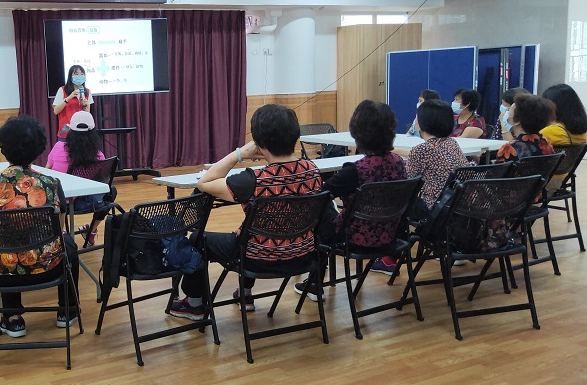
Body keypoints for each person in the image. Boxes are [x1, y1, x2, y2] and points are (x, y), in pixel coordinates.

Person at [170, 104, 329, 320]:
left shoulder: (252, 180)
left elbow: (204, 182)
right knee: (256, 231)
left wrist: (239, 154)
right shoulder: (313, 171)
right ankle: (244, 293)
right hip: (302, 256)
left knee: (199, 238)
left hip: (256, 259)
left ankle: (194, 304)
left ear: (259, 143)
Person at [0, 115, 80, 338]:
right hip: (45, 268)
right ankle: (67, 310)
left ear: (3, 148)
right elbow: (59, 230)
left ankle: (12, 318)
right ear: (40, 149)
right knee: (68, 243)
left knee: (3, 244)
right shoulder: (51, 184)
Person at [321, 101, 407, 276]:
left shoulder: (354, 171)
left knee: (321, 207)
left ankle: (315, 281)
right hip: (390, 235)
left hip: (353, 238)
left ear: (357, 133)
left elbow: (321, 193)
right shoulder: (399, 163)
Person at [45, 110, 110, 246]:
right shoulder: (98, 156)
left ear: (71, 130)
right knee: (111, 193)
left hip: (59, 203)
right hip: (85, 202)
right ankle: (91, 230)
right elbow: (102, 183)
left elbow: (46, 172)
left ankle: (60, 232)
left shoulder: (58, 147)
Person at [404, 99, 473, 213]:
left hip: (434, 207)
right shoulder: (451, 142)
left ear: (422, 122)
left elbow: (407, 184)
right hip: (456, 204)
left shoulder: (422, 150)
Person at [495, 94, 555, 162]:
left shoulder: (508, 149)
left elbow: (498, 168)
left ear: (517, 121)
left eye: (509, 112)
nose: (506, 114)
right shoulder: (546, 145)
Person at [52, 64, 93, 139]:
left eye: (82, 74)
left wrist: (87, 108)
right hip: (66, 132)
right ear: (71, 77)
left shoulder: (87, 92)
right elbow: (56, 111)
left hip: (83, 132)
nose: (79, 76)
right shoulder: (62, 90)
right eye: (76, 74)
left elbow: (87, 114)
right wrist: (68, 98)